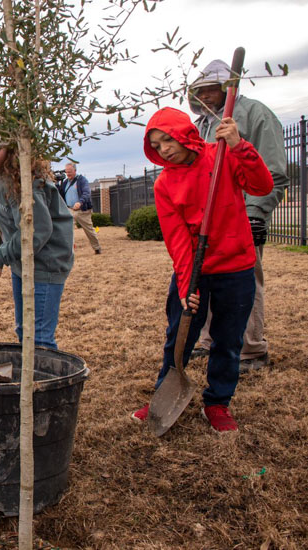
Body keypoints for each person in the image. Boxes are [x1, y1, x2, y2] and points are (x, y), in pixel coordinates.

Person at [131, 107, 273, 432]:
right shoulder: (165, 184)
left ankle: (217, 403)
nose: (164, 148)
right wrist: (186, 286)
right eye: (156, 144)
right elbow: (177, 239)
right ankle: (162, 395)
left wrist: (240, 146)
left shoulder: (222, 155)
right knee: (178, 336)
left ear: (185, 132)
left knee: (228, 338)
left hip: (236, 266)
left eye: (167, 138)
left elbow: (262, 186)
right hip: (194, 268)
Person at [188, 59, 288, 371]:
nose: (204, 95)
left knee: (245, 283)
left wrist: (256, 212)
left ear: (226, 86)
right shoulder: (203, 125)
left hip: (242, 219)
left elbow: (272, 169)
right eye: (199, 90)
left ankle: (251, 349)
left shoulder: (255, 113)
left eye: (210, 88)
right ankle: (210, 341)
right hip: (208, 222)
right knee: (207, 282)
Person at [0, 129, 74, 348]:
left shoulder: (25, 180)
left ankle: (43, 381)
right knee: (24, 330)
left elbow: (35, 231)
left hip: (45, 262)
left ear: (11, 147)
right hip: (21, 261)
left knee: (39, 338)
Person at [57, 163, 101, 254]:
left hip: (82, 210)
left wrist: (80, 202)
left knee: (89, 230)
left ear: (75, 171)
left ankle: (96, 247)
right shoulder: (65, 182)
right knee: (68, 230)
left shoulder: (82, 180)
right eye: (67, 172)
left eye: (70, 172)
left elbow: (86, 193)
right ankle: (70, 251)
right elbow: (60, 194)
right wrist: (57, 183)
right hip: (69, 210)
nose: (68, 174)